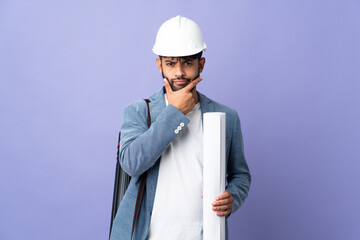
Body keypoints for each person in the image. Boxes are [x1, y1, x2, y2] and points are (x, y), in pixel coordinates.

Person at [110, 15, 251, 240]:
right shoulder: (137, 111)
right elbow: (131, 164)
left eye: (187, 62)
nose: (179, 73)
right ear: (159, 65)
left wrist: (233, 196)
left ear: (200, 64)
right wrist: (175, 113)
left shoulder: (226, 117)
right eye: (170, 63)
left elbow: (241, 175)